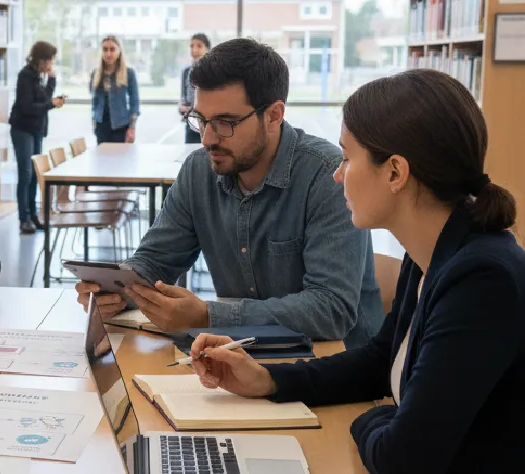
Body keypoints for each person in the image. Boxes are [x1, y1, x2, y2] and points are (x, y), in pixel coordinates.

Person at [188, 69, 525, 473]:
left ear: (395, 173)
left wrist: (373, 418)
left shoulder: (481, 280)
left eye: (348, 158)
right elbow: (379, 362)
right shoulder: (431, 254)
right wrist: (268, 380)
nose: (337, 173)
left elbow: (402, 459)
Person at [77, 38, 384, 349]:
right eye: (201, 120)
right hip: (238, 357)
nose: (208, 138)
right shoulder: (199, 171)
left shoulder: (328, 175)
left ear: (274, 115)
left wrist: (209, 316)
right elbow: (156, 260)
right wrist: (117, 291)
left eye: (225, 123)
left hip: (336, 368)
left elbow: (330, 311)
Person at [10, 41, 65, 234]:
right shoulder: (25, 76)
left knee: (34, 174)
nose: (51, 63)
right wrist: (51, 104)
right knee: (25, 173)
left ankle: (33, 215)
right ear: (42, 59)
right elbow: (27, 107)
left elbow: (43, 100)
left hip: (36, 130)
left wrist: (52, 80)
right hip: (22, 129)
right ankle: (23, 218)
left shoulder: (39, 77)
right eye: (50, 60)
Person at [90, 35, 140, 144]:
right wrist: (93, 121)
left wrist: (132, 127)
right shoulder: (95, 74)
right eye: (105, 49)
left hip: (121, 125)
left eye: (112, 49)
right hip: (101, 125)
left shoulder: (129, 73)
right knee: (102, 159)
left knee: (120, 159)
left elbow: (134, 102)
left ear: (119, 51)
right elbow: (94, 102)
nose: (108, 54)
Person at [180, 33, 210, 144]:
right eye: (192, 46)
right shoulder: (186, 71)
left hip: (207, 122)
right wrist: (182, 107)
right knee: (190, 153)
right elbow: (184, 96)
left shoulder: (212, 71)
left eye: (199, 46)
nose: (194, 49)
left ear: (207, 48)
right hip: (191, 121)